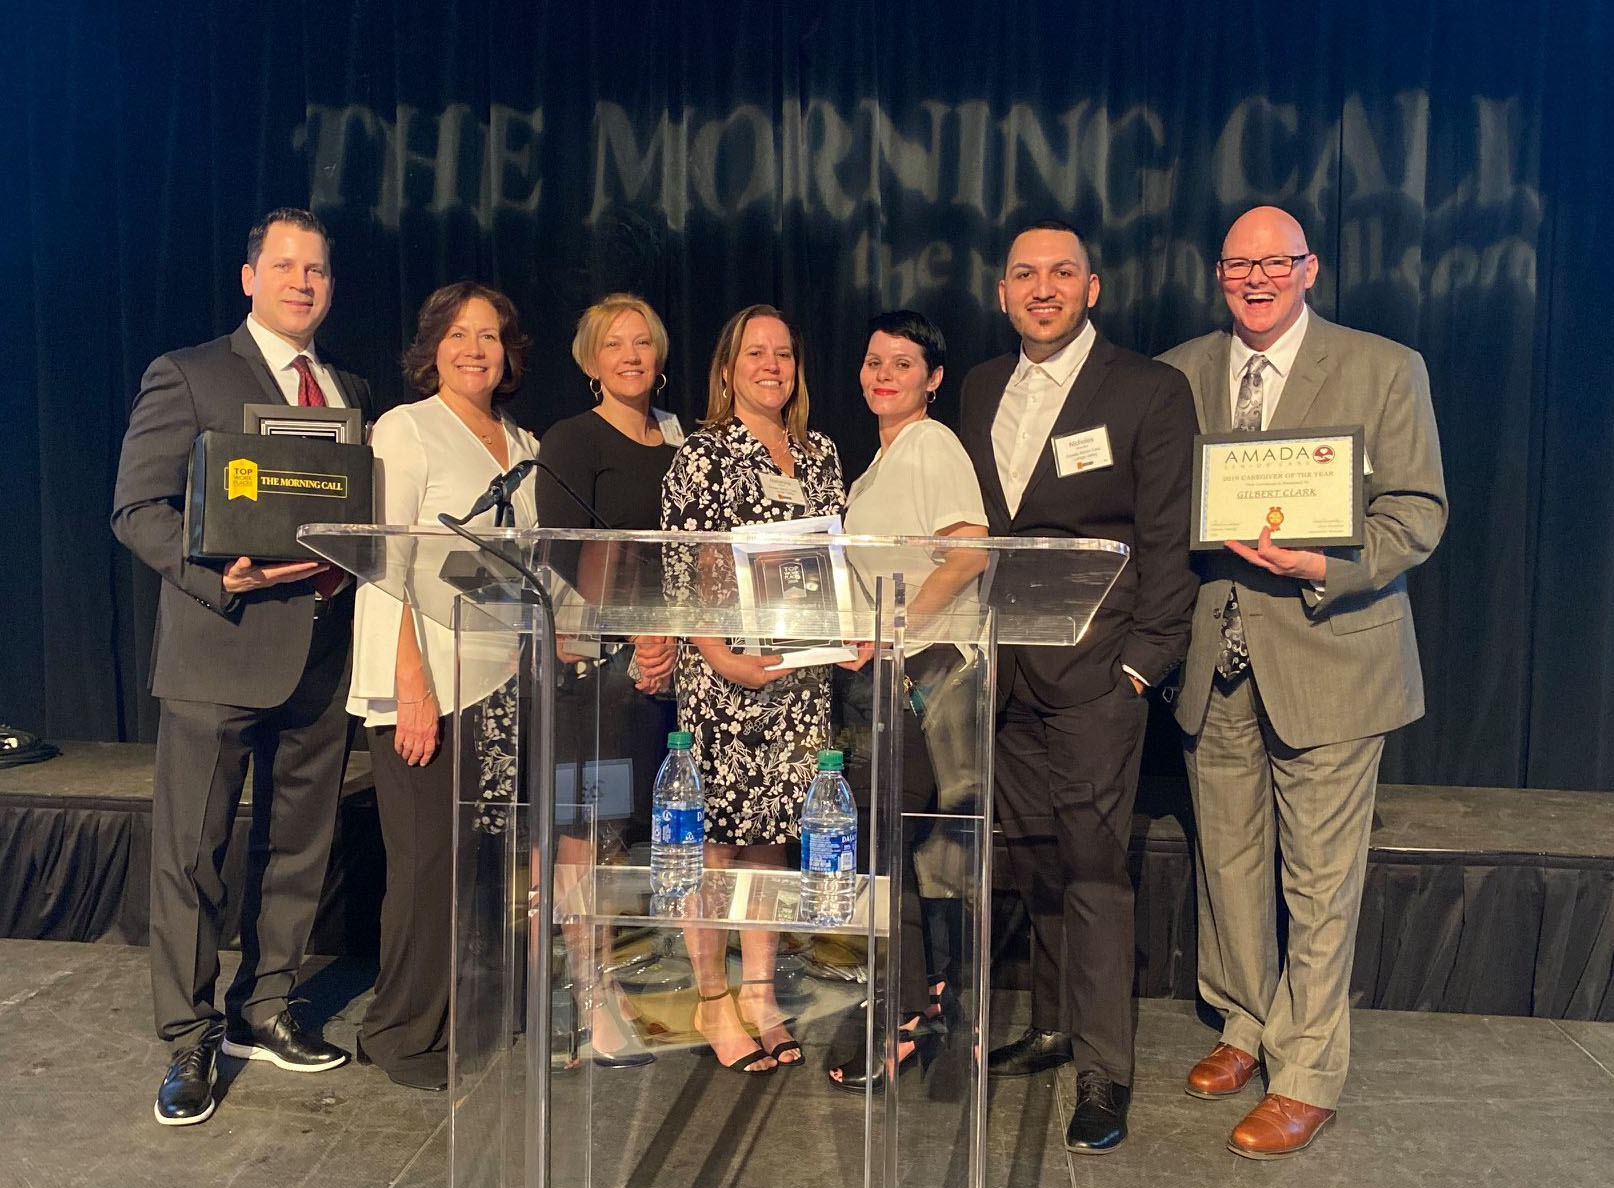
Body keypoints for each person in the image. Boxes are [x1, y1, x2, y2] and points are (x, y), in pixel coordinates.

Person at [1159, 206, 1447, 1159]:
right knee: (1231, 864)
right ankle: (1244, 1023)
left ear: (1309, 269)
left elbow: (1416, 513)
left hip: (1332, 651)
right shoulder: (1181, 371)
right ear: (1218, 273)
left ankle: (1310, 1073)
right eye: (1239, 263)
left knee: (1320, 882)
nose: (1256, 278)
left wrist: (1324, 565)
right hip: (1218, 659)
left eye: (1274, 263)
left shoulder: (1383, 365)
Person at [111, 208, 375, 1126]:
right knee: (192, 855)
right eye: (287, 266)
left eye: (319, 270)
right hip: (215, 648)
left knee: (299, 847)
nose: (305, 282)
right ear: (249, 277)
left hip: (318, 654)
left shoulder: (348, 391)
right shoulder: (186, 375)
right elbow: (137, 507)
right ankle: (187, 1039)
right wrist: (215, 571)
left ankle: (263, 1010)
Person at [959, 220, 1197, 1153]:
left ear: (1093, 287)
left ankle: (1105, 1070)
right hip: (1006, 670)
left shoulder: (1147, 389)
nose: (1043, 287)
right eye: (1025, 274)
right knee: (1035, 859)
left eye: (1062, 273)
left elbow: (1168, 543)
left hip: (1101, 673)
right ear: (1004, 291)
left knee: (1096, 871)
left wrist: (1143, 663)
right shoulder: (982, 386)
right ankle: (1054, 1025)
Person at [344, 281, 538, 1091]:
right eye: (458, 334)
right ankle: (398, 1033)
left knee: (473, 865)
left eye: (489, 335)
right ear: (432, 348)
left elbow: (516, 569)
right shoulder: (405, 428)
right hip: (426, 682)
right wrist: (410, 686)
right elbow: (380, 561)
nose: (474, 349)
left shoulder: (521, 440)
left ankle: (451, 1015)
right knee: (425, 868)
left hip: (499, 680)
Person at [659, 304, 852, 1075]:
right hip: (724, 681)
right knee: (716, 841)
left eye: (783, 353)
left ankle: (763, 993)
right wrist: (716, 654)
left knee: (773, 839)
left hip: (801, 681)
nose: (771, 366)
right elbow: (686, 569)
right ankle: (713, 1001)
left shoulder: (822, 452)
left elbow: (832, 560)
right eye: (755, 354)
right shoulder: (701, 455)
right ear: (728, 368)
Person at [827, 310, 988, 1091]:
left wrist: (896, 629)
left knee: (893, 839)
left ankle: (910, 1013)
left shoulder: (932, 444)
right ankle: (915, 1007)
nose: (882, 374)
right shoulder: (874, 468)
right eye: (871, 359)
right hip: (886, 677)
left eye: (902, 363)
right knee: (894, 848)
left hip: (930, 673)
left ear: (933, 379)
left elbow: (968, 550)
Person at [541, 293, 680, 1067]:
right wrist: (638, 634)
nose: (631, 357)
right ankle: (588, 996)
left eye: (643, 343)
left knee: (632, 837)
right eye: (614, 345)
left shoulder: (682, 439)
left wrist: (670, 640)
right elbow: (569, 554)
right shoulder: (570, 438)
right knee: (585, 837)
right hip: (594, 673)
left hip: (669, 672)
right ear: (591, 361)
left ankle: (627, 981)